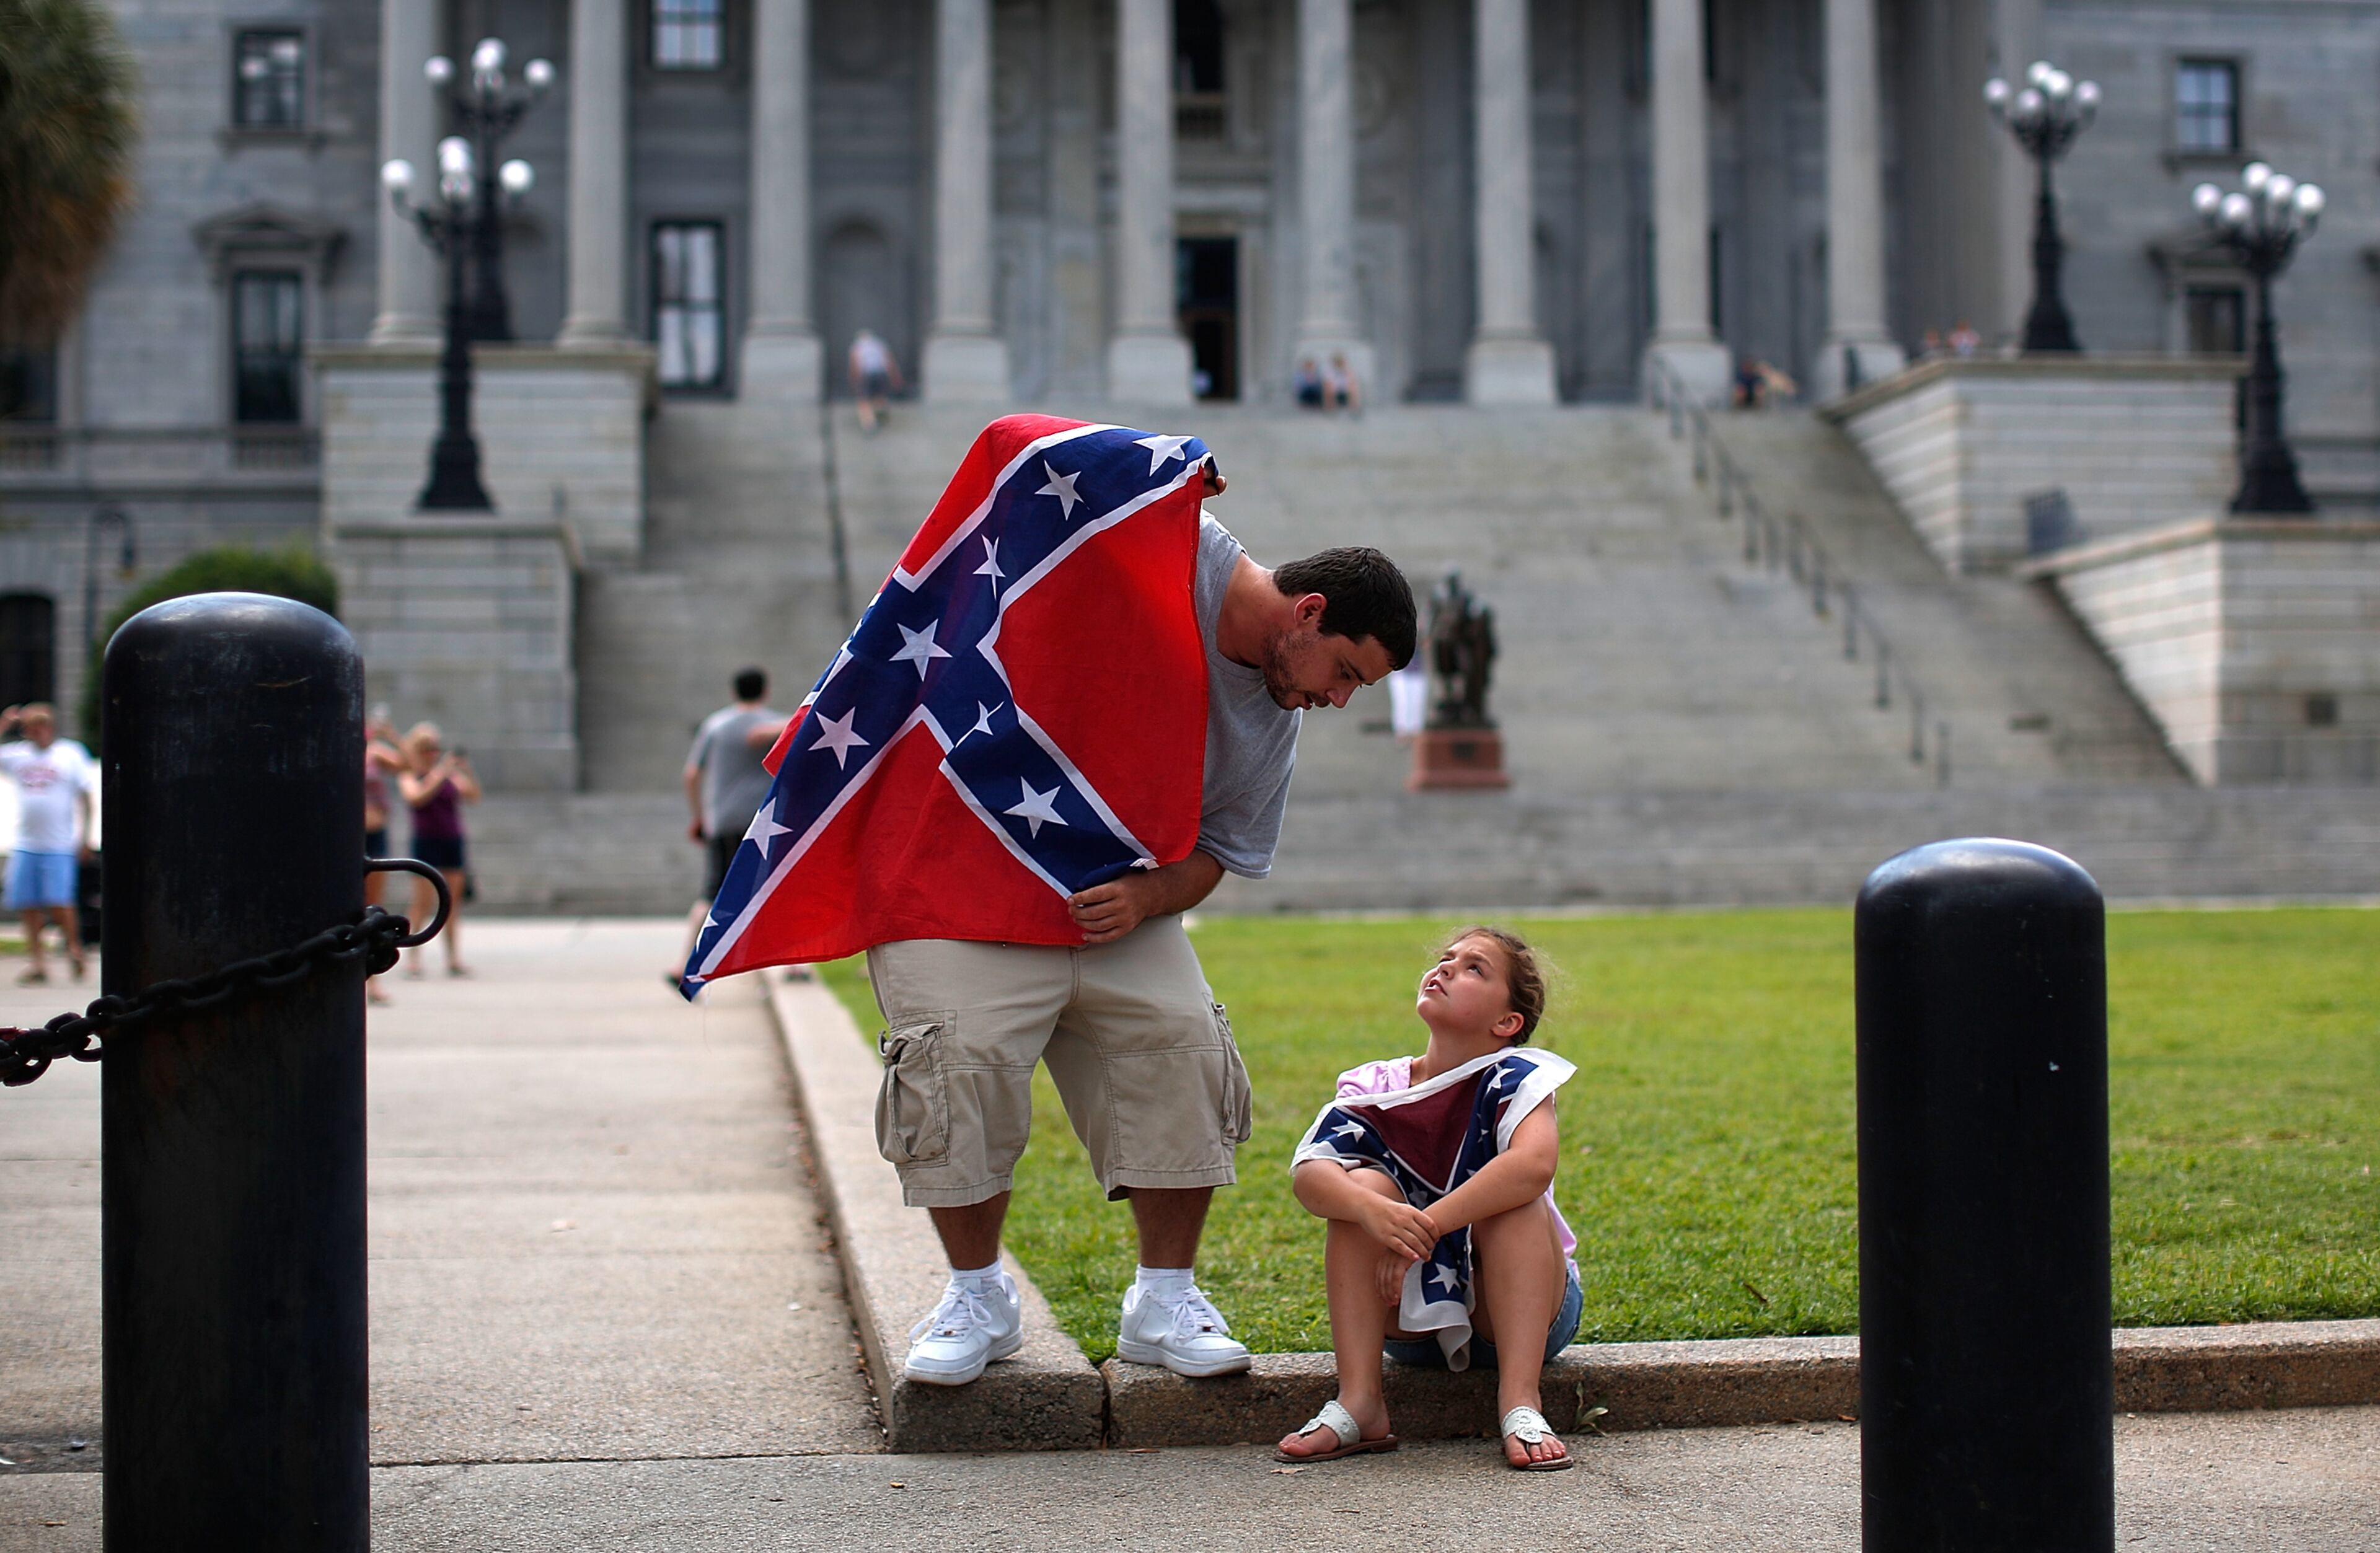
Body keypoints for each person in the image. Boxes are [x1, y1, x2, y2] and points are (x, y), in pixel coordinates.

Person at [883, 464, 1419, 1388]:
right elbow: (1033, 459)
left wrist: (1148, 898)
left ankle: (1163, 1298)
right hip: (967, 874)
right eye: (1345, 673)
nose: (1339, 700)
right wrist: (1151, 467)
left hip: (1114, 906)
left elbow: (1220, 849)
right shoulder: (1174, 542)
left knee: (1185, 1045)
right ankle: (977, 1294)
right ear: (1309, 611)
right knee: (954, 1059)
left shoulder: (1274, 722)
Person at [1274, 926, 1580, 1472]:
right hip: (1408, 1319)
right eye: (1445, 959)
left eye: (1474, 968)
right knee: (1358, 1189)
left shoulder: (1517, 1076)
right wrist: (1376, 1212)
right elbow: (1309, 1175)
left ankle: (1520, 1400)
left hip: (1515, 1312)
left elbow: (1534, 1166)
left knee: (1514, 1199)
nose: (1444, 968)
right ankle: (1360, 1401)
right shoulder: (1374, 1084)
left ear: (1507, 1024)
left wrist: (1428, 1227)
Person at [677, 666, 789, 985]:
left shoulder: (715, 725)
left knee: (713, 892)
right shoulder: (776, 723)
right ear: (765, 691)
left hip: (723, 820)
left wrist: (699, 817)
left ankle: (684, 962)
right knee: (777, 887)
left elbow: (692, 774)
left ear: (733, 692)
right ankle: (797, 966)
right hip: (767, 823)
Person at [0, 704, 94, 984]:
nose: (33, 733)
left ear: (49, 727)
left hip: (59, 843)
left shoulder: (69, 754)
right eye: (28, 728)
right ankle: (38, 961)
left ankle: (75, 950)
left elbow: (85, 796)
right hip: (27, 841)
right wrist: (4, 723)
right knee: (26, 903)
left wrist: (85, 835)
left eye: (38, 727)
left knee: (60, 902)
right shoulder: (18, 754)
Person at [399, 722, 478, 977]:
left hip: (451, 841)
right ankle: (413, 958)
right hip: (426, 842)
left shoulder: (448, 777)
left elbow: (473, 796)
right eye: (426, 749)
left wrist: (466, 771)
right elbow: (416, 797)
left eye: (435, 748)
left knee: (452, 903)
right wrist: (440, 773)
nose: (432, 754)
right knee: (422, 903)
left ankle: (453, 957)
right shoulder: (411, 775)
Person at [363, 705, 407, 1004]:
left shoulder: (376, 752)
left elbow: (407, 763)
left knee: (373, 908)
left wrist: (391, 734)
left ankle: (372, 982)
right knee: (353, 906)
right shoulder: (341, 751)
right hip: (350, 836)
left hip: (376, 834)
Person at [848, 328, 904, 433]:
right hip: (880, 373)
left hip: (866, 374)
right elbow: (888, 361)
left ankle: (869, 423)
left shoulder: (857, 347)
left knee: (863, 400)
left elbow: (855, 363)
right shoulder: (879, 345)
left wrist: (854, 378)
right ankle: (881, 413)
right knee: (879, 396)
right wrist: (895, 376)